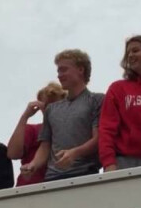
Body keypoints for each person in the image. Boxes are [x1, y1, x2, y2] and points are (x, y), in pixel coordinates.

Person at [23, 50, 104, 181]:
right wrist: (33, 165)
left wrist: (75, 153)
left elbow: (99, 138)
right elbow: (45, 146)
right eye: (58, 71)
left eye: (64, 70)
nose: (59, 76)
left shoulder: (97, 100)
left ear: (80, 69)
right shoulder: (51, 109)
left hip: (85, 176)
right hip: (52, 179)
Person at [99, 35, 141, 170]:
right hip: (125, 163)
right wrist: (109, 163)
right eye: (128, 53)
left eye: (135, 50)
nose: (130, 55)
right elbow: (106, 129)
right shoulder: (118, 88)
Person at [7, 82, 66, 185]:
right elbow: (13, 153)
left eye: (55, 104)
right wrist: (25, 116)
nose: (50, 110)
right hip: (31, 189)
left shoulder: (72, 130)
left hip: (61, 186)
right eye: (46, 105)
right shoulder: (33, 130)